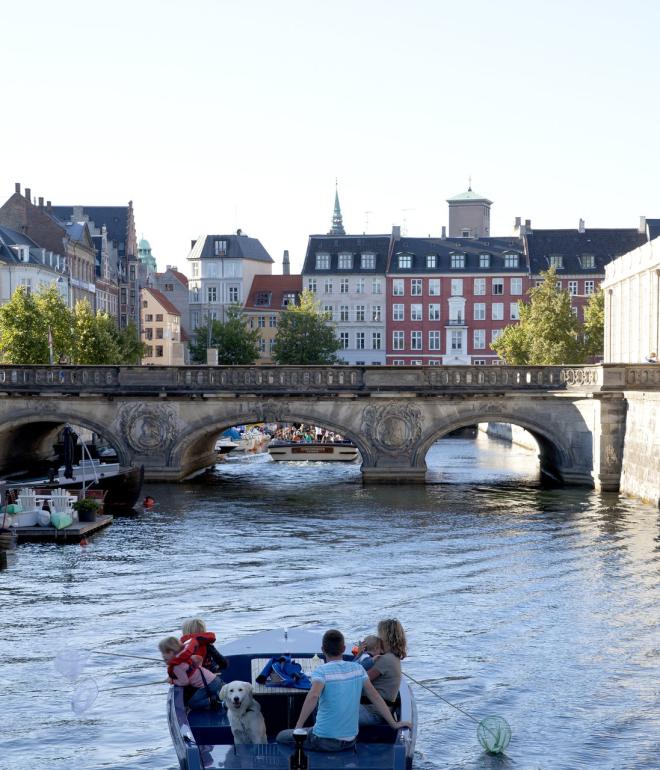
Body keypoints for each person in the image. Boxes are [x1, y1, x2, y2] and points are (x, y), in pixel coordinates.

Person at [277, 629, 410, 752]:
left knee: (281, 737)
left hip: (323, 741)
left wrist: (298, 727)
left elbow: (313, 697)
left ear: (323, 649)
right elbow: (376, 697)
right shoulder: (358, 669)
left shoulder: (321, 671)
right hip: (350, 741)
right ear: (344, 649)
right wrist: (394, 723)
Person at [359, 619, 407, 726]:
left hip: (372, 713)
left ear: (386, 637)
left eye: (379, 635)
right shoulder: (393, 658)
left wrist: (359, 655)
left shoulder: (384, 660)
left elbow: (358, 680)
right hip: (374, 710)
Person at [159, 636, 222, 709]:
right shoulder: (185, 658)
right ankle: (217, 696)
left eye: (165, 652)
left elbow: (185, 682)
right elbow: (199, 659)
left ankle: (214, 701)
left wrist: (172, 680)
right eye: (162, 653)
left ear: (172, 652)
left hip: (209, 685)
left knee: (192, 703)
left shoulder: (177, 666)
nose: (163, 656)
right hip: (215, 679)